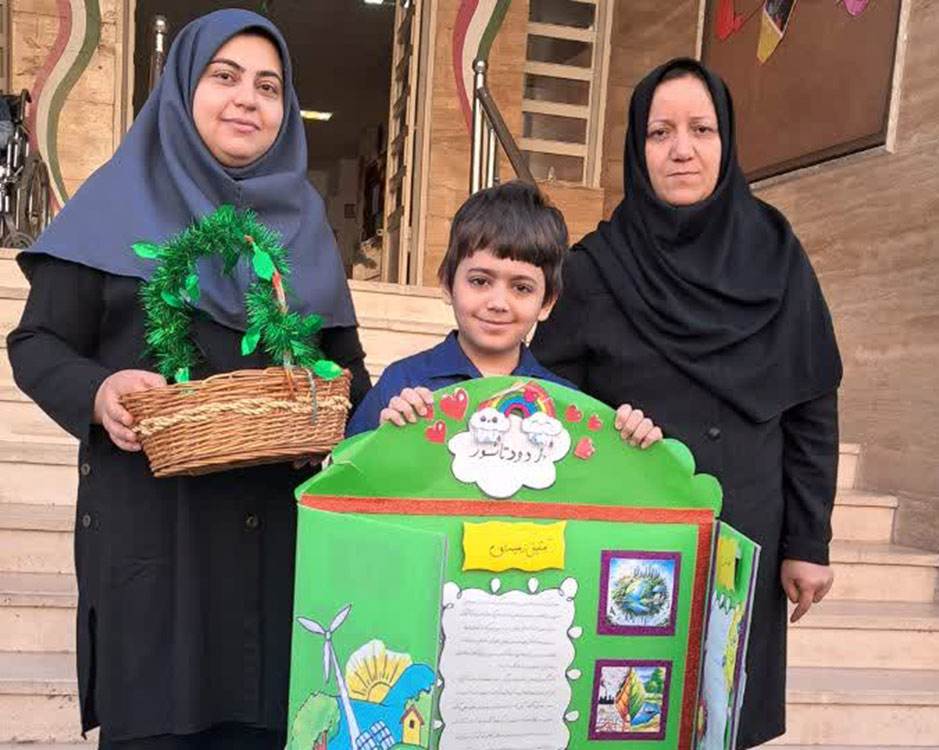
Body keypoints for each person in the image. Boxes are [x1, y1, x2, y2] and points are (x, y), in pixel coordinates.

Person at [6, 10, 371, 749]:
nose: (247, 100)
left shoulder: (302, 227)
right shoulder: (114, 203)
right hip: (156, 541)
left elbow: (347, 369)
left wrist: (343, 417)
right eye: (224, 76)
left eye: (268, 86)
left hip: (271, 549)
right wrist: (97, 394)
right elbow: (37, 342)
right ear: (182, 88)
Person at [531, 58, 842, 748]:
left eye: (701, 129)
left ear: (726, 141)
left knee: (723, 718)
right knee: (625, 717)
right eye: (659, 132)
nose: (681, 150)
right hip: (631, 544)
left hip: (744, 533)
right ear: (635, 149)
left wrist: (808, 542)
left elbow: (812, 406)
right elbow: (550, 405)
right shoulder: (594, 268)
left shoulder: (776, 256)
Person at [347, 181, 661, 449]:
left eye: (521, 288)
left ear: (547, 302)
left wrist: (631, 447)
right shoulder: (402, 385)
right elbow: (343, 477)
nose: (498, 303)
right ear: (446, 283)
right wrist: (382, 443)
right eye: (479, 281)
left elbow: (591, 487)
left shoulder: (564, 403)